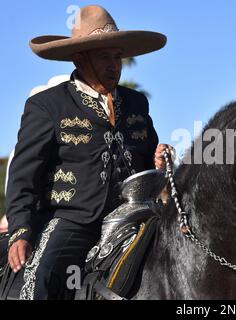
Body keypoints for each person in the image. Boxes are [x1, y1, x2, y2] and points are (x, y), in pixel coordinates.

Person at [5, 5, 170, 300]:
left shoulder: (136, 103)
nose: (114, 65)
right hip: (73, 221)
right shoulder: (48, 105)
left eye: (117, 57)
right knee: (40, 277)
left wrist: (159, 166)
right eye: (104, 57)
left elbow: (147, 166)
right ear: (80, 58)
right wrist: (21, 232)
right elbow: (23, 177)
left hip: (134, 217)